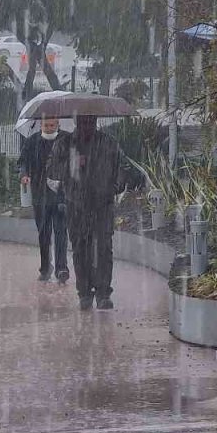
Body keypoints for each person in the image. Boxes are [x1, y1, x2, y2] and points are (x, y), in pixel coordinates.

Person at [47, 116, 134, 310]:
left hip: (103, 205)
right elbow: (52, 170)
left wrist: (116, 186)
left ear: (95, 122)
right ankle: (84, 293)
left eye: (91, 122)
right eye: (84, 122)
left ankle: (103, 293)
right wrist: (74, 163)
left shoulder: (109, 143)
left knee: (103, 248)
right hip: (76, 206)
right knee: (80, 249)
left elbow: (123, 166)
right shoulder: (64, 144)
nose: (88, 127)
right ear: (77, 121)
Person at [19, 117, 70, 282]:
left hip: (61, 195)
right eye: (45, 125)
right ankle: (46, 267)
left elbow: (74, 164)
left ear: (58, 125)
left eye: (52, 125)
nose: (48, 128)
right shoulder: (32, 142)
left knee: (61, 233)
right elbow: (22, 163)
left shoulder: (67, 140)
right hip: (40, 195)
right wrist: (24, 175)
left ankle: (62, 269)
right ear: (40, 125)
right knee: (44, 233)